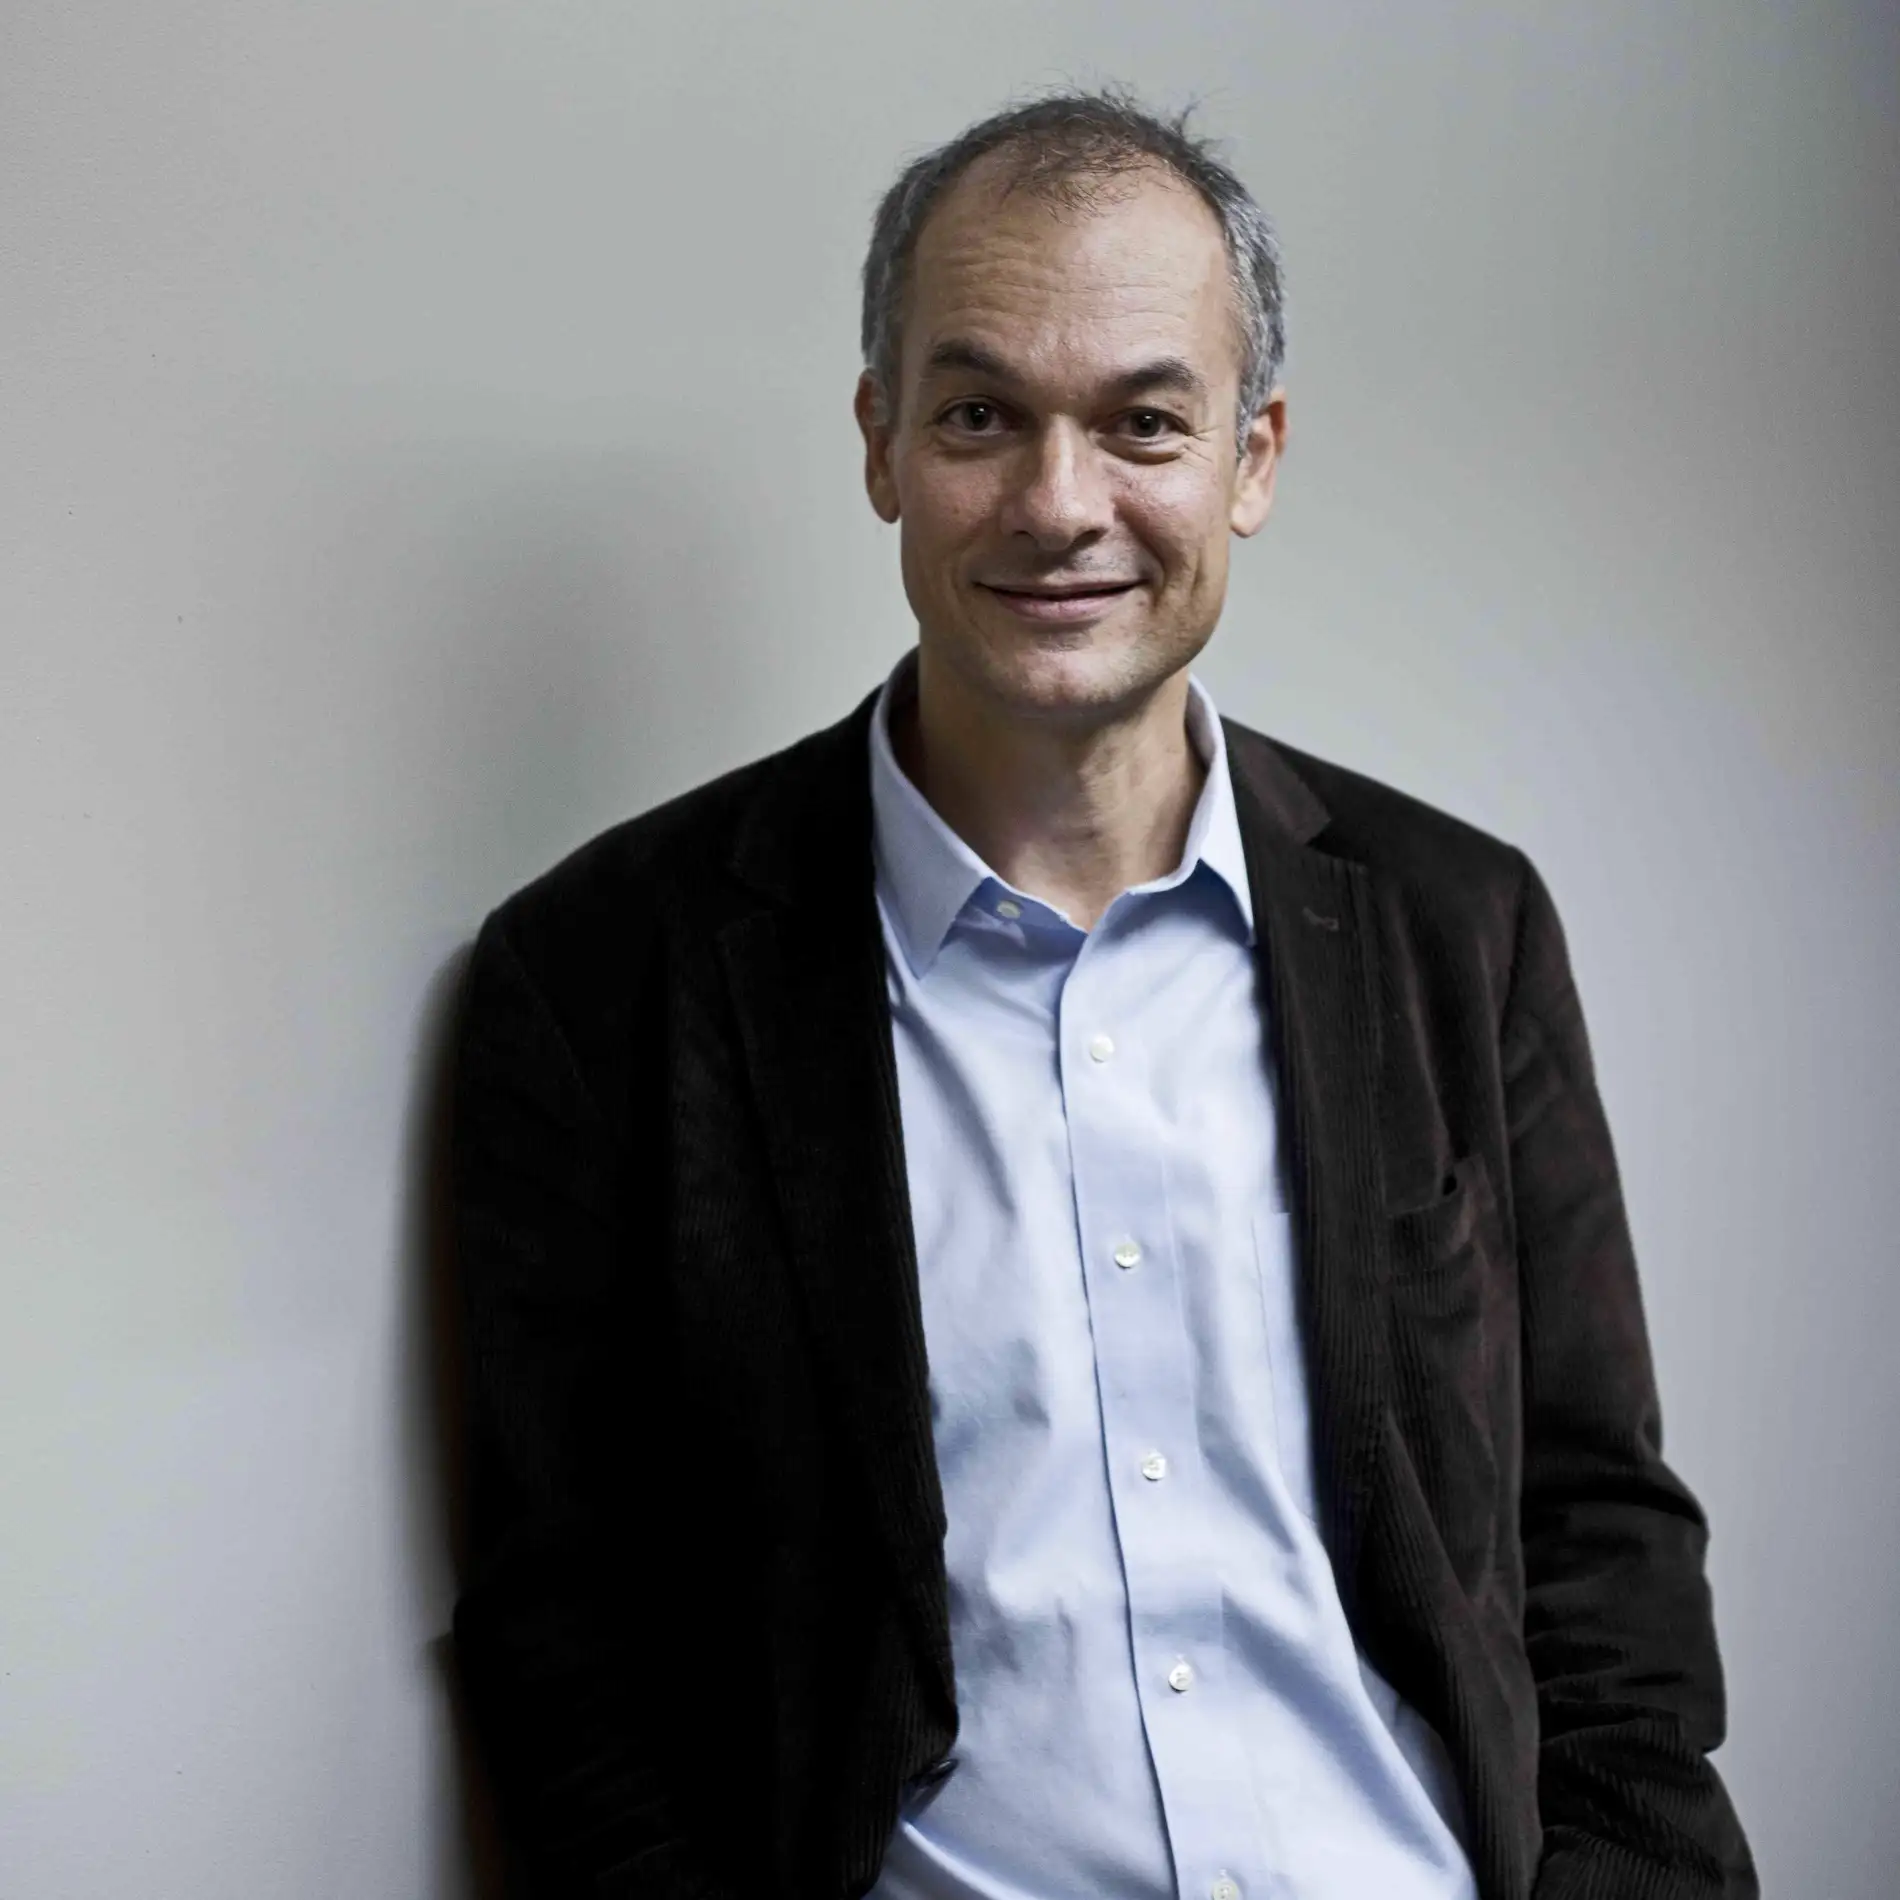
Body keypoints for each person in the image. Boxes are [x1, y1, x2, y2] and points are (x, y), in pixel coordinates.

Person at [449, 89, 1755, 1900]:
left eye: (1144, 421)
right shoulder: (606, 977)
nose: (1060, 506)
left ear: (1252, 459)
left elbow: (1597, 1534)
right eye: (980, 415)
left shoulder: (1463, 928)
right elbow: (566, 1637)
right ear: (880, 441)